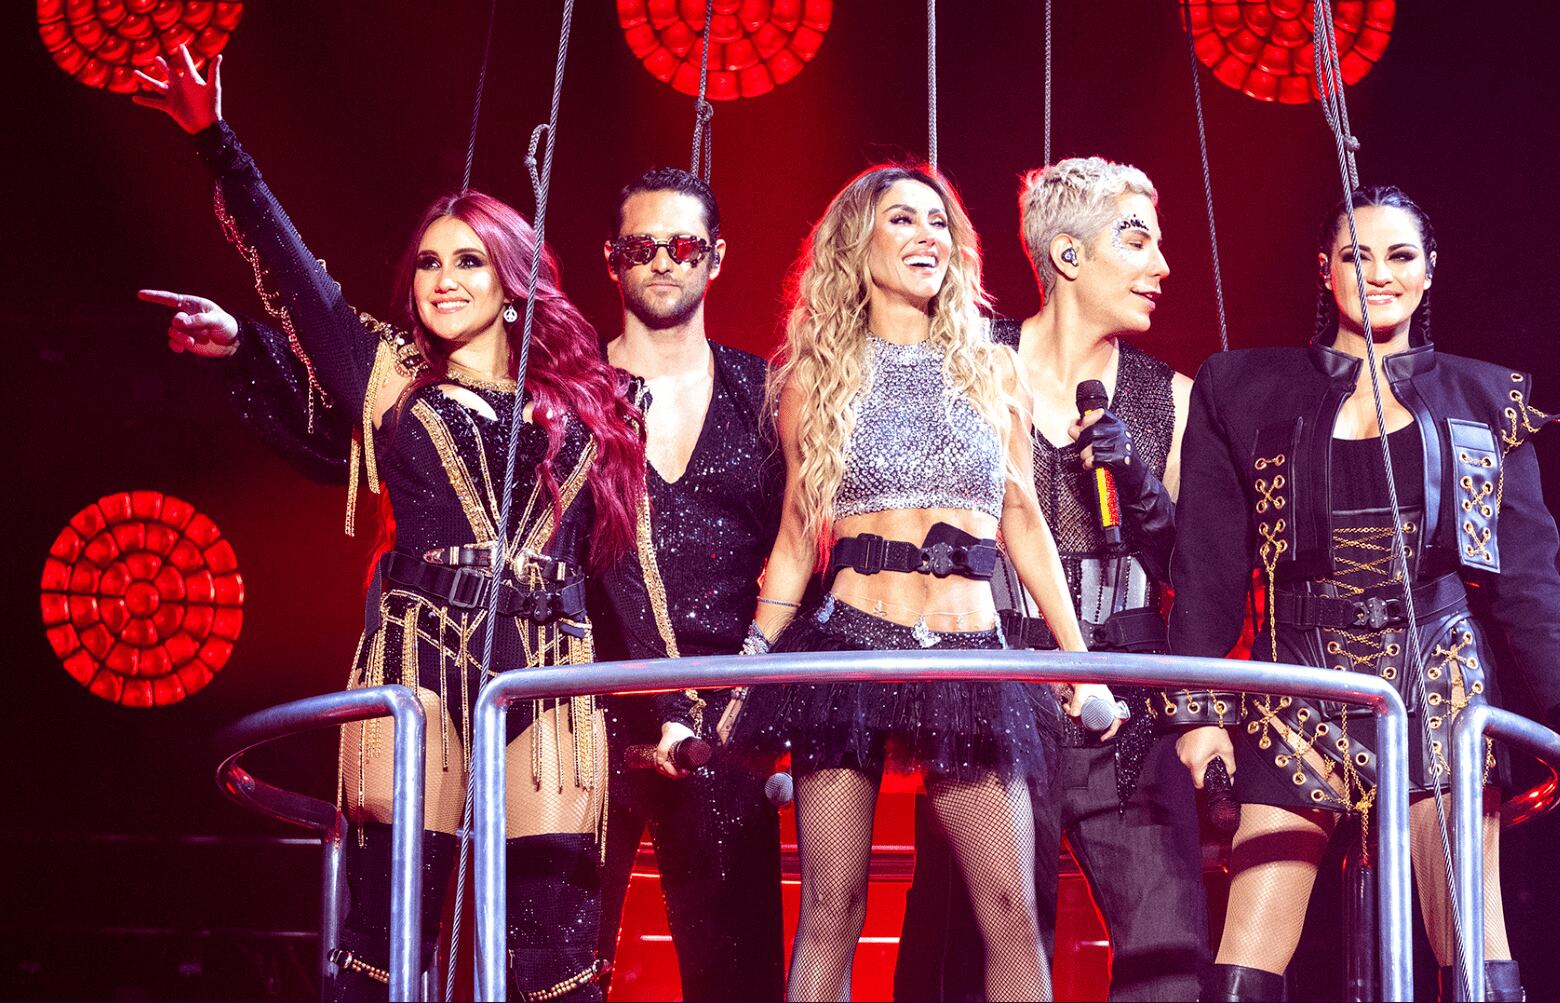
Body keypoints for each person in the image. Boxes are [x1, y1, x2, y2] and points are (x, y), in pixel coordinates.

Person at [133, 47, 646, 1001]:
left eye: (468, 260)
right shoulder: (390, 380)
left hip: (553, 660)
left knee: (553, 948)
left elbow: (624, 561)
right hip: (422, 660)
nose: (444, 279)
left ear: (512, 278)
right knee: (389, 931)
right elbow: (299, 280)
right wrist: (216, 141)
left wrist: (674, 701)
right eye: (427, 263)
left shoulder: (597, 400)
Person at [1167, 185, 1560, 1002]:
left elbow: (1528, 568)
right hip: (1299, 681)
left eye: (1399, 255)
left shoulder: (1488, 397)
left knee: (1472, 947)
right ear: (1324, 271)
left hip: (1439, 678)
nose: (1377, 273)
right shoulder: (1240, 388)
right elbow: (1205, 568)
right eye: (1355, 255)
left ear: (1429, 273)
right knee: (1246, 956)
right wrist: (1197, 710)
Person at [729, 164, 1123, 1002]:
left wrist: (1077, 659)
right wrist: (755, 654)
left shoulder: (996, 369)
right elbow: (799, 535)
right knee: (830, 907)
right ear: (857, 245)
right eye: (903, 219)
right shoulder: (817, 377)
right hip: (849, 648)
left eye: (939, 223)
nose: (927, 237)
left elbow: (1025, 524)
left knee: (1012, 907)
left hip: (967, 656)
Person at [894, 156, 1211, 1002]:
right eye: (1137, 241)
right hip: (996, 696)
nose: (1162, 267)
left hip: (1127, 711)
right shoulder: (966, 362)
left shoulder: (1172, 398)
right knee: (981, 953)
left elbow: (1204, 576)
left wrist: (1144, 493)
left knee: (1173, 959)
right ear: (1068, 256)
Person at [587, 167, 786, 1002]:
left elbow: (802, 554)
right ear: (612, 260)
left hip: (728, 726)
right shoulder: (569, 394)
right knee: (556, 973)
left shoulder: (765, 394)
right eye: (644, 246)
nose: (664, 261)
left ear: (716, 259)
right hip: (583, 719)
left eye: (684, 245)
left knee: (735, 982)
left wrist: (761, 704)